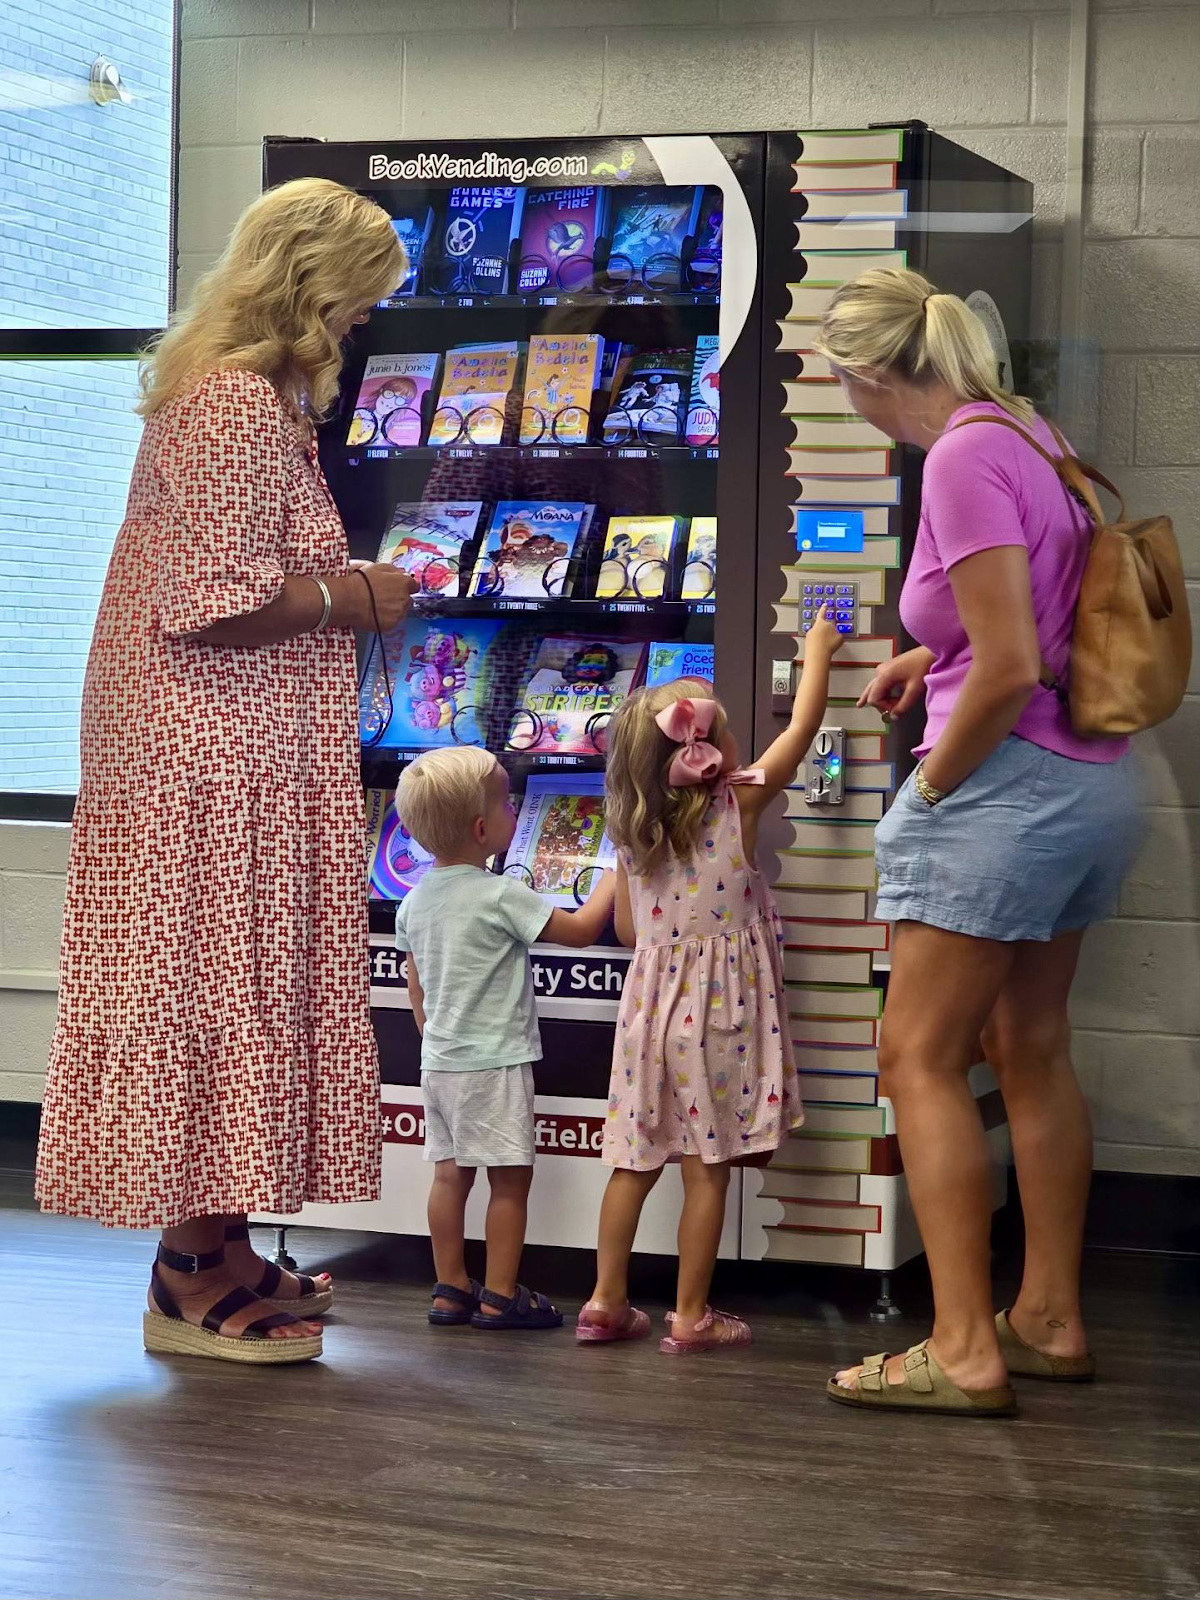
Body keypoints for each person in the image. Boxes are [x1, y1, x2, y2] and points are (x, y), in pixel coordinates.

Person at [35, 178, 419, 1365]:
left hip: (231, 755)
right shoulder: (237, 410)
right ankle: (191, 1266)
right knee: (217, 985)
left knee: (240, 982)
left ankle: (228, 1240)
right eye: (361, 300)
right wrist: (359, 595)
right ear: (313, 286)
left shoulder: (248, 403)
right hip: (210, 764)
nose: (365, 323)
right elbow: (210, 606)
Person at [813, 268, 1140, 1416]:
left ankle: (960, 1345)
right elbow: (1020, 629)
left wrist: (928, 796)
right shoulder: (1026, 431)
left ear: (856, 376)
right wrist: (928, 660)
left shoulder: (954, 455)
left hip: (1002, 795)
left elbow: (1005, 667)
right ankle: (1045, 1315)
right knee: (1031, 1046)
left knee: (917, 1057)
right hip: (1090, 781)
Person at [577, 626, 844, 1354]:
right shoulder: (739, 804)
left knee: (633, 1163)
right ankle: (691, 1315)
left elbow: (633, 935)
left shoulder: (631, 828)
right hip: (718, 1018)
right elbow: (804, 726)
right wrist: (817, 651)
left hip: (647, 1018)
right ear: (712, 750)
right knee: (707, 1168)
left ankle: (604, 1301)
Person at [393, 747, 616, 1331]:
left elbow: (416, 986)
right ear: (482, 828)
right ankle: (499, 1294)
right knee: (510, 1181)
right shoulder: (500, 895)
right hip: (496, 1064)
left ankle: (449, 1288)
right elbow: (580, 934)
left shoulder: (413, 901)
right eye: (507, 802)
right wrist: (611, 878)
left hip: (439, 1063)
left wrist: (437, 1038)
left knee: (448, 1176)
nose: (515, 809)